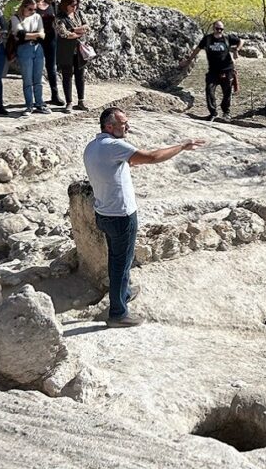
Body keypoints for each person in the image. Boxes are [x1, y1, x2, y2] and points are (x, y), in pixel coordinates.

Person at [84, 107, 205, 327]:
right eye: (123, 124)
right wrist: (182, 146)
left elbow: (121, 164)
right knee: (121, 263)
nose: (128, 127)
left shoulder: (93, 146)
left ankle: (125, 292)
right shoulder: (114, 146)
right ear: (109, 127)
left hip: (103, 212)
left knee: (117, 258)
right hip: (120, 215)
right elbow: (151, 157)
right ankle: (118, 313)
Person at [180, 20, 241, 121]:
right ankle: (213, 113)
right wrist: (189, 60)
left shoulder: (227, 38)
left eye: (221, 29)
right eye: (217, 29)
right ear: (213, 28)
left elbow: (241, 41)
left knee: (227, 92)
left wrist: (237, 50)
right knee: (209, 90)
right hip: (213, 71)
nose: (219, 31)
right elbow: (197, 49)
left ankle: (226, 112)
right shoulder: (207, 39)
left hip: (227, 70)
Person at [55, 0, 90, 113]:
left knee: (80, 75)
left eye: (76, 4)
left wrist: (74, 30)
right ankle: (69, 102)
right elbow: (64, 34)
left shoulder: (79, 13)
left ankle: (81, 101)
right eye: (72, 5)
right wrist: (78, 33)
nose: (74, 7)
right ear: (65, 5)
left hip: (79, 50)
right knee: (67, 76)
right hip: (66, 51)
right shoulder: (59, 17)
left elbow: (87, 27)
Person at [28, 0, 61, 106]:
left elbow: (58, 20)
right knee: (36, 69)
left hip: (51, 38)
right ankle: (35, 98)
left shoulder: (52, 4)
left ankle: (55, 95)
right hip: (36, 39)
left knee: (52, 67)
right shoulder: (31, 3)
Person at [11, 0, 45, 114]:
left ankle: (40, 103)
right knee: (27, 79)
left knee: (38, 78)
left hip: (37, 48)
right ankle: (29, 104)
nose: (32, 12)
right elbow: (20, 34)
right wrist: (35, 34)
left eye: (34, 9)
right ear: (23, 7)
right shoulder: (16, 18)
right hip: (24, 49)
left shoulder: (37, 17)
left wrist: (28, 35)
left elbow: (42, 34)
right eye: (30, 9)